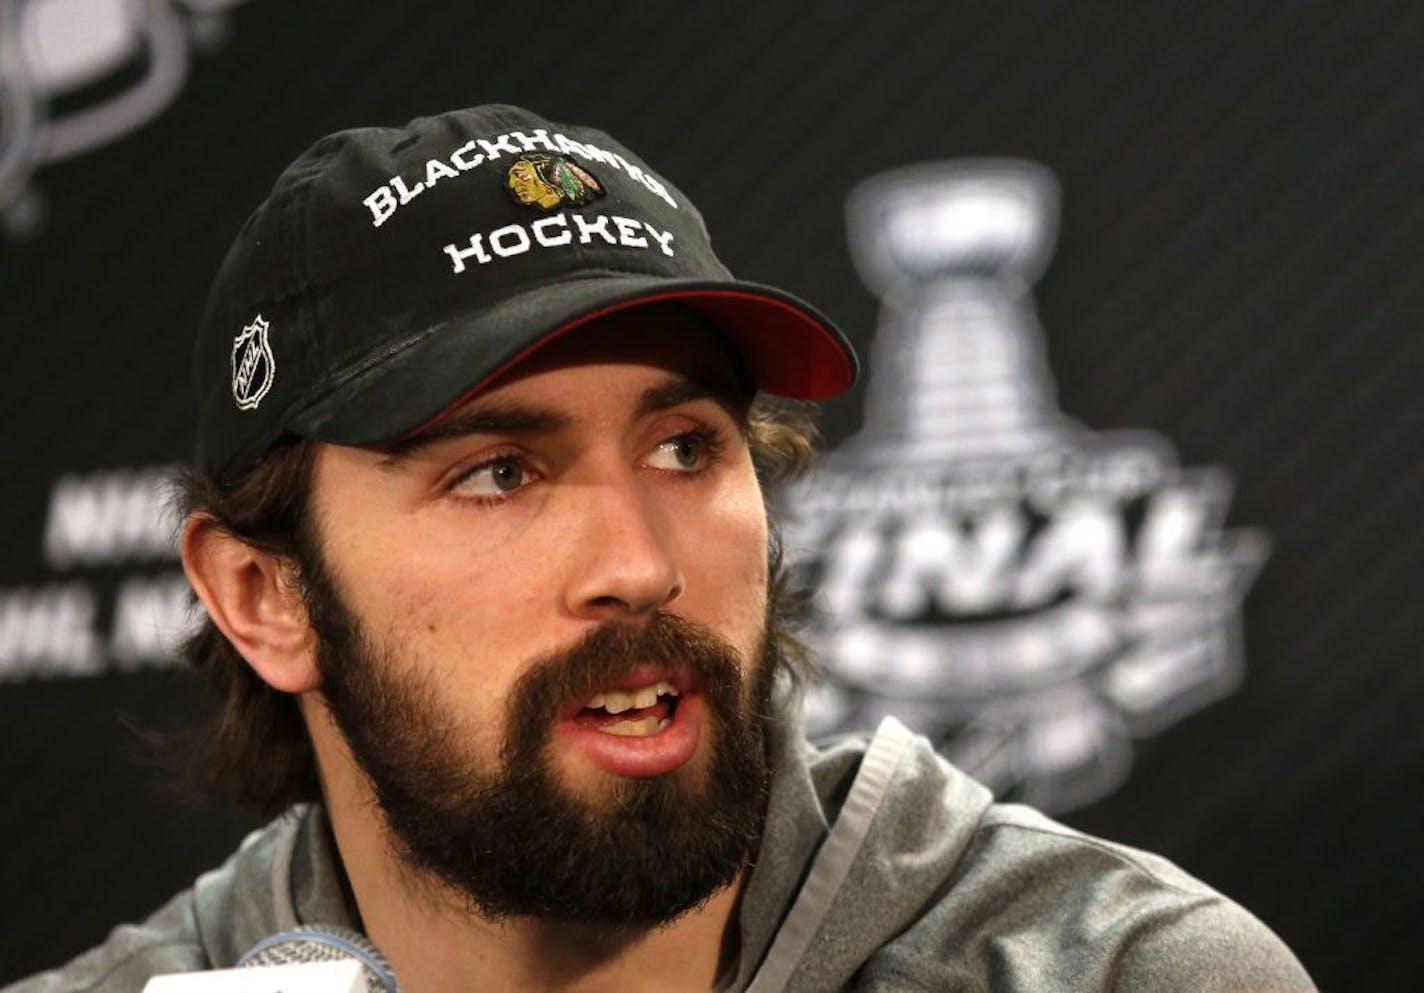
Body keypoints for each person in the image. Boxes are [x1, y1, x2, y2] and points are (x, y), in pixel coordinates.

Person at [8, 104, 1316, 993]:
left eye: (687, 447)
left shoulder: (1115, 973)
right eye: (500, 472)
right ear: (262, 592)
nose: (638, 560)